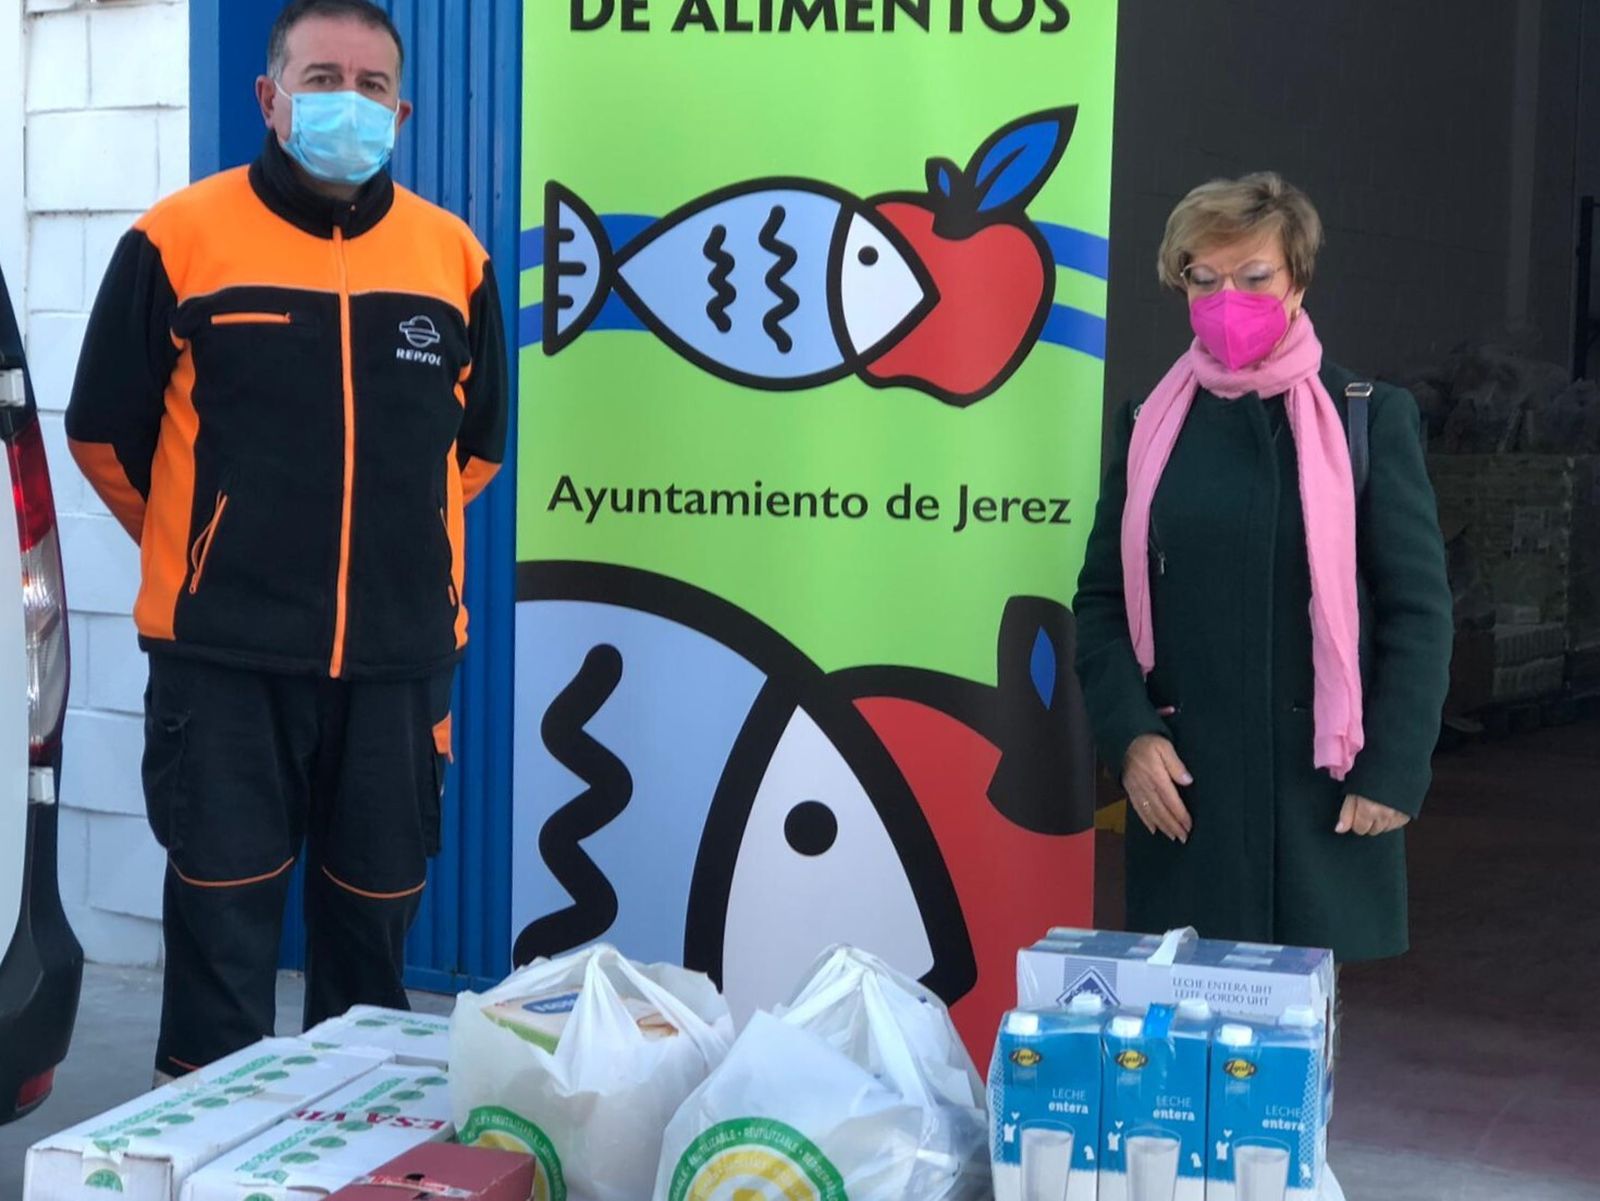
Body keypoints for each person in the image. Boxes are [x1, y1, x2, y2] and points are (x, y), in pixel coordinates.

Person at [65, 0, 507, 1078]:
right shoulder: (177, 239)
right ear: (269, 99)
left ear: (400, 109)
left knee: (371, 938)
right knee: (222, 939)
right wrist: (205, 547)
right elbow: (103, 437)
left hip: (398, 670)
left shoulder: (451, 257)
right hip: (224, 667)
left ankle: (346, 1159)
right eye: (319, 79)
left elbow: (477, 450)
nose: (343, 104)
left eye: (367, 87)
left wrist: (397, 567)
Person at [1073, 173, 1452, 962]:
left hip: (1320, 794)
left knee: (1290, 1060)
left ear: (1298, 279)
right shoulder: (1150, 425)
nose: (1225, 300)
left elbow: (1418, 608)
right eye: (1202, 280)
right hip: (1189, 798)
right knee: (1186, 1057)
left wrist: (1394, 766)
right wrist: (1132, 738)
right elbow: (1102, 603)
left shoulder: (1367, 417)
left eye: (1253, 278)